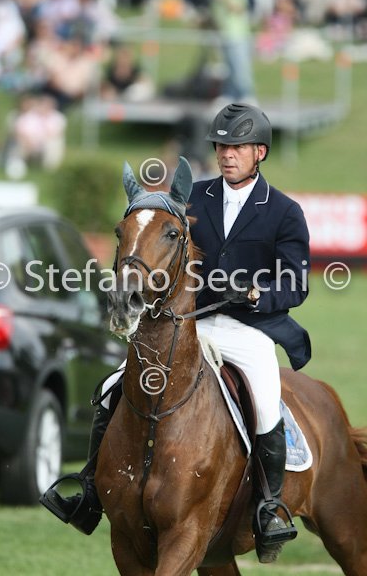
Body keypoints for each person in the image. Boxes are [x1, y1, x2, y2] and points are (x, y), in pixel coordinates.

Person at [40, 103, 311, 564]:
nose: (227, 154)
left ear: (260, 152)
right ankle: (89, 488)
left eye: (238, 147)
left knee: (266, 397)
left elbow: (296, 283)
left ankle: (269, 508)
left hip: (247, 327)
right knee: (112, 387)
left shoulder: (284, 211)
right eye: (221, 146)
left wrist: (255, 293)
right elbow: (159, 245)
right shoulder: (192, 200)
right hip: (187, 323)